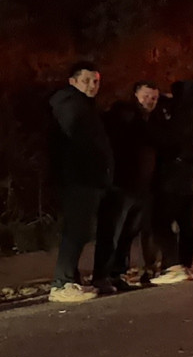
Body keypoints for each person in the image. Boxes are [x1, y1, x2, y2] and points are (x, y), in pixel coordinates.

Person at [47, 61, 113, 303]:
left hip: (87, 178)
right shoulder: (69, 104)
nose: (92, 85)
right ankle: (61, 283)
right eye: (86, 80)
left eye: (95, 81)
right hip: (78, 177)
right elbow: (80, 142)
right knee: (77, 231)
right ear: (72, 81)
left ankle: (70, 281)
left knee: (80, 230)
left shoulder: (85, 106)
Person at [93, 82, 160, 291]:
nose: (150, 101)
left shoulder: (146, 120)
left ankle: (116, 274)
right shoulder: (125, 116)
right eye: (146, 96)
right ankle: (102, 275)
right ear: (135, 95)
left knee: (127, 233)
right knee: (112, 231)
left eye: (154, 98)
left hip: (141, 185)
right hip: (121, 184)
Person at [149, 80, 193, 285]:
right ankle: (185, 264)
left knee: (160, 220)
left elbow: (167, 140)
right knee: (186, 221)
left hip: (178, 176)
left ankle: (173, 265)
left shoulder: (184, 116)